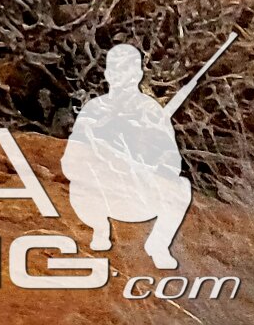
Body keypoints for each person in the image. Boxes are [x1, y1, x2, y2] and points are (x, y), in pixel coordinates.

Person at [66, 43, 195, 270]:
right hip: (102, 194)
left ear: (138, 74)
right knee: (79, 187)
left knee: (181, 187)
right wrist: (107, 164)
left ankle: (158, 245)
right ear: (107, 74)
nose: (121, 77)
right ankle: (100, 230)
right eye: (116, 70)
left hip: (139, 196)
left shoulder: (152, 112)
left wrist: (148, 157)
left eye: (127, 71)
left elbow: (172, 165)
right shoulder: (94, 110)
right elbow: (70, 163)